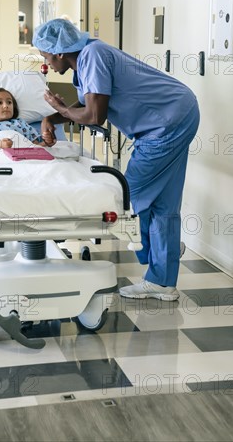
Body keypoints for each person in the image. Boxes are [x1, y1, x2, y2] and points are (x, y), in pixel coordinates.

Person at [33, 18, 200, 301]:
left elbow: (95, 116)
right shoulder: (87, 56)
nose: (45, 63)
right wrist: (52, 117)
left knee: (125, 196)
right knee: (163, 203)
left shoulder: (93, 56)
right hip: (179, 112)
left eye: (45, 55)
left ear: (60, 51)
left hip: (165, 124)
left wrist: (59, 108)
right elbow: (89, 105)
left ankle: (164, 253)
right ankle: (163, 277)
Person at [0, 87, 55, 151]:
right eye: (0, 102)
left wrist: (47, 143)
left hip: (25, 157)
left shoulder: (21, 124)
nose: (6, 106)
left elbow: (34, 146)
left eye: (9, 102)